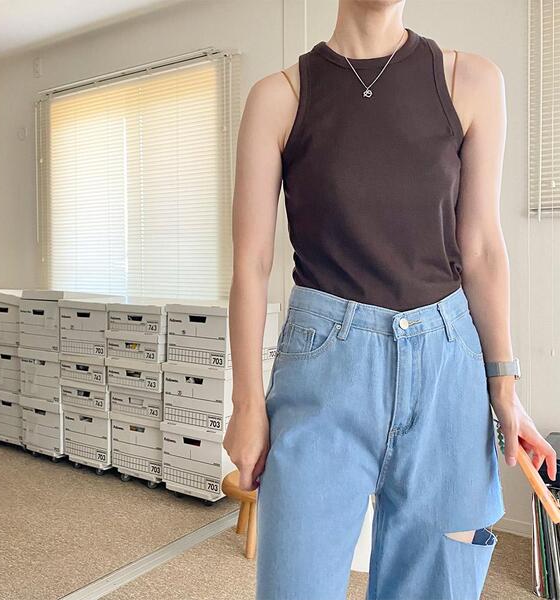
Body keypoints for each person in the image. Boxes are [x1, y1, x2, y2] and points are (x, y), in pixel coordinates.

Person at [223, 1, 557, 598]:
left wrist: (505, 388)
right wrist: (247, 404)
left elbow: (481, 247)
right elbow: (251, 265)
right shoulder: (279, 98)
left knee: (437, 585)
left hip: (447, 372)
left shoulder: (472, 81)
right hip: (323, 372)